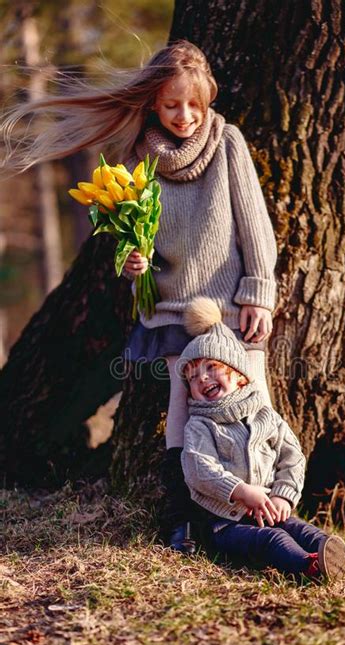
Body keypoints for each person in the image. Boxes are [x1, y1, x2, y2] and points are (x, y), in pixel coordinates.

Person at [2, 40, 277, 552]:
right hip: (173, 307)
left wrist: (259, 292)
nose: (185, 116)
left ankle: (271, 511)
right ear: (153, 101)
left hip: (233, 310)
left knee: (254, 405)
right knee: (183, 413)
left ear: (209, 99)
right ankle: (186, 519)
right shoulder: (136, 162)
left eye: (195, 104)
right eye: (172, 105)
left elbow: (255, 227)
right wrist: (136, 268)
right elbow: (137, 249)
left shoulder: (229, 143)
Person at [178, 297, 345, 586]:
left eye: (211, 367)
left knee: (309, 533)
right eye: (193, 377)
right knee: (274, 539)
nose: (203, 378)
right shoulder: (200, 425)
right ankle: (311, 568)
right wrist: (241, 491)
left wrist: (283, 493)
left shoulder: (264, 415)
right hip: (224, 524)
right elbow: (198, 468)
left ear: (239, 376)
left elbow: (292, 456)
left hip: (270, 509)